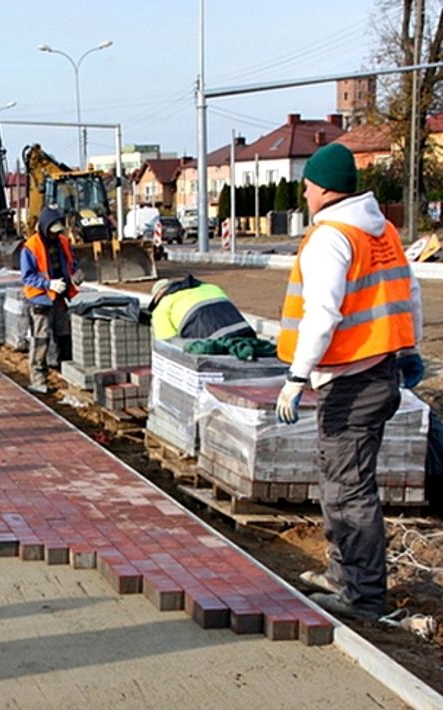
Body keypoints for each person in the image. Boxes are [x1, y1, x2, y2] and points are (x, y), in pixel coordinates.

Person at [275, 143, 424, 621]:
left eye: (307, 185)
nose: (303, 191)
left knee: (348, 489)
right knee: (343, 480)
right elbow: (410, 292)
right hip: (378, 370)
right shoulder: (381, 231)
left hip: (351, 379)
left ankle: (361, 595)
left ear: (322, 188)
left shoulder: (331, 237)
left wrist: (297, 376)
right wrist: (409, 349)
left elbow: (323, 312)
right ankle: (344, 574)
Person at [20, 207, 83, 394]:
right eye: (52, 232)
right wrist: (48, 284)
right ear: (45, 228)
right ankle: (38, 378)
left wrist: (76, 273)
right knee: (41, 339)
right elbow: (27, 276)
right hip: (41, 298)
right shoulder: (31, 247)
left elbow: (72, 262)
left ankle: (66, 373)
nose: (55, 236)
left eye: (58, 232)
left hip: (60, 297)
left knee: (64, 336)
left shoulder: (63, 241)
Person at [147, 274, 255, 341]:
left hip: (214, 344)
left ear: (158, 296)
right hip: (245, 333)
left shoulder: (162, 307)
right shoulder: (211, 287)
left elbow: (168, 344)